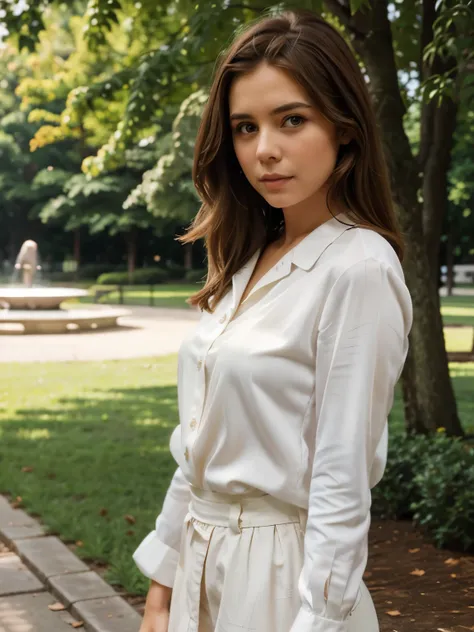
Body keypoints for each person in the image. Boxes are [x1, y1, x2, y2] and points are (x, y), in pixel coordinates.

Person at [133, 9, 413, 632]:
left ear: (343, 127)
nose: (264, 150)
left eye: (292, 119)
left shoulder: (358, 269)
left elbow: (341, 485)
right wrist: (162, 586)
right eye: (244, 127)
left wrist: (318, 620)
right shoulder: (248, 260)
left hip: (281, 581)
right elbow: (199, 451)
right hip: (200, 569)